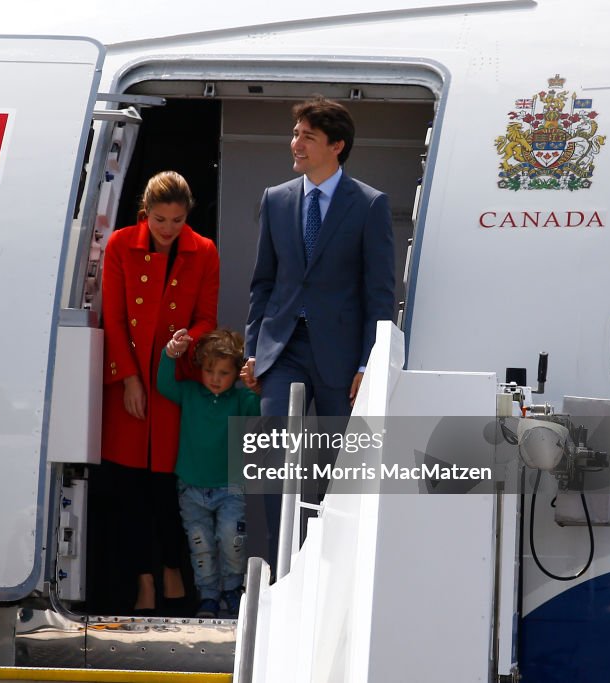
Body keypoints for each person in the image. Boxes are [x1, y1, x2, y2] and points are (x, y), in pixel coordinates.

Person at [241, 96, 395, 566]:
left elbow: (380, 293)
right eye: (296, 134)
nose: (296, 144)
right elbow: (263, 282)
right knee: (272, 453)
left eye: (308, 136)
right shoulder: (277, 198)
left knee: (336, 470)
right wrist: (253, 352)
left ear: (336, 145)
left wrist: (369, 362)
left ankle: (326, 565)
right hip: (282, 349)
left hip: (341, 357)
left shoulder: (369, 205)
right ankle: (280, 568)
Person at [97, 170, 220, 614]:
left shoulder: (204, 251)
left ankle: (173, 573)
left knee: (170, 489)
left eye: (178, 220)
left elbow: (208, 316)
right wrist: (128, 378)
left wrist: (188, 339)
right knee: (128, 491)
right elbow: (112, 317)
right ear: (145, 214)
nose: (169, 230)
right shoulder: (119, 246)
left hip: (174, 383)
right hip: (127, 386)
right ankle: (143, 583)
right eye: (161, 220)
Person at [158, 328, 260, 618]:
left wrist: (256, 386)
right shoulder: (190, 393)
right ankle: (209, 597)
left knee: (231, 540)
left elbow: (265, 406)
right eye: (210, 371)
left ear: (236, 373)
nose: (216, 379)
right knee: (200, 546)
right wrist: (170, 353)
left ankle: (232, 590)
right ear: (200, 369)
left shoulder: (241, 401)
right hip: (191, 488)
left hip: (230, 487)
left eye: (224, 373)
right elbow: (164, 384)